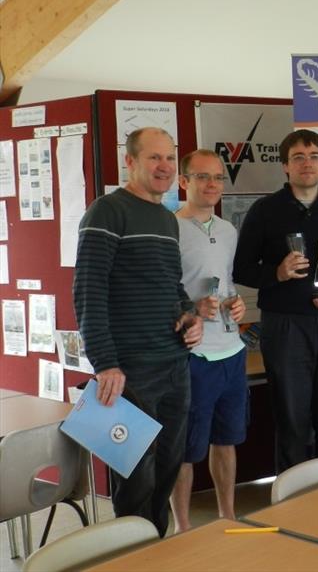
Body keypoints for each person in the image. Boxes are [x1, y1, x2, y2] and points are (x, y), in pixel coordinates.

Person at [73, 127, 202, 537]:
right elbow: (88, 291)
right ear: (129, 161)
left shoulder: (167, 219)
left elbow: (171, 285)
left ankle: (157, 551)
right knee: (135, 481)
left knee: (166, 470)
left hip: (174, 365)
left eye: (169, 158)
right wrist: (106, 363)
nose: (164, 166)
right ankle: (131, 558)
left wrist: (189, 315)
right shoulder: (107, 211)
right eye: (154, 158)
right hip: (129, 372)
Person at [233, 129, 318, 473]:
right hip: (285, 326)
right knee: (292, 419)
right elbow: (241, 269)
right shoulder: (264, 211)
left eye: (314, 156)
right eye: (298, 158)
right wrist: (277, 273)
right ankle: (294, 503)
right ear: (285, 167)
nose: (308, 164)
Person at [169, 150, 247, 533]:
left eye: (218, 177)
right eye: (202, 177)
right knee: (186, 449)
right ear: (184, 181)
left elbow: (226, 281)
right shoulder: (169, 228)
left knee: (227, 440)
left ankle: (227, 515)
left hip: (231, 351)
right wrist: (189, 308)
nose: (212, 185)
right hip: (192, 355)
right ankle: (183, 527)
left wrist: (236, 304)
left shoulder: (228, 229)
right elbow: (159, 293)